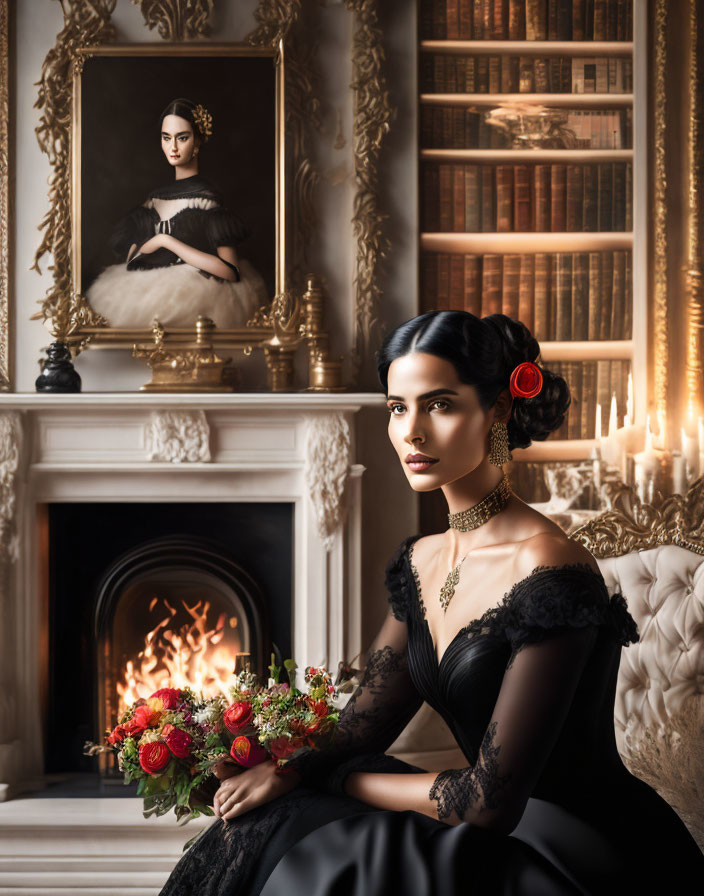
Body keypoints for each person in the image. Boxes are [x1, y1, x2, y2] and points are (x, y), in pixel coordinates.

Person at [159, 311, 704, 895]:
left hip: (582, 846)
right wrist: (273, 764)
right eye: (398, 407)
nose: (411, 431)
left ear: (496, 409)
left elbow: (488, 801)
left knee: (344, 842)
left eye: (439, 404)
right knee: (281, 818)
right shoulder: (419, 563)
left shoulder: (548, 566)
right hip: (491, 826)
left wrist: (341, 779)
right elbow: (358, 728)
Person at [86, 98, 268, 329]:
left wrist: (166, 241)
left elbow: (230, 271)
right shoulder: (154, 200)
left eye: (182, 138)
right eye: (166, 138)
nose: (173, 147)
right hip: (148, 291)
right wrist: (141, 250)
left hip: (198, 293)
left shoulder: (208, 199)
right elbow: (132, 260)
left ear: (197, 141)